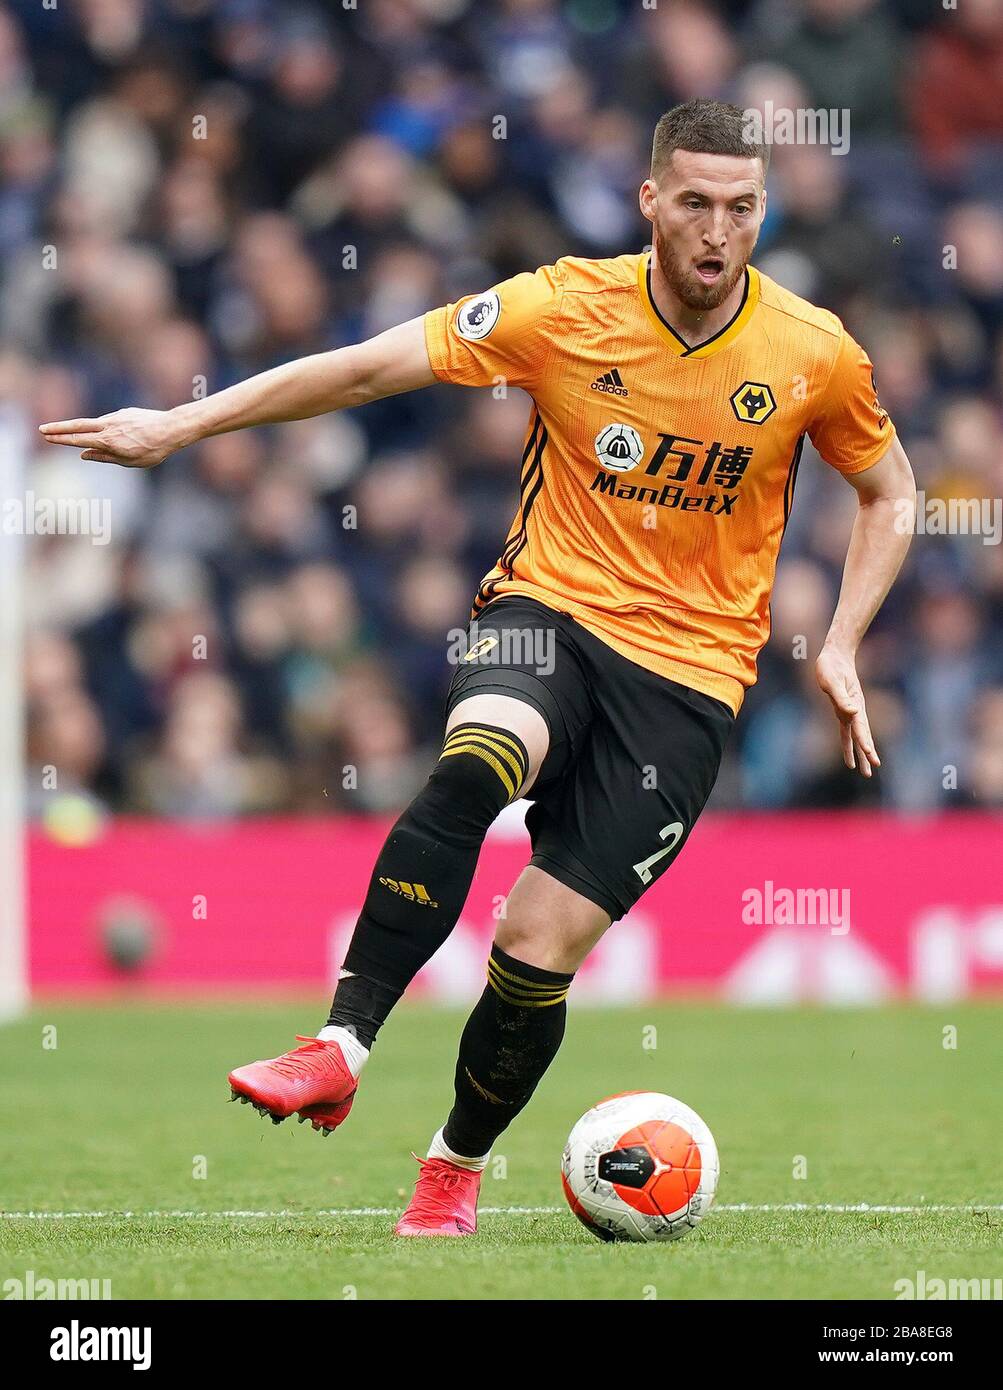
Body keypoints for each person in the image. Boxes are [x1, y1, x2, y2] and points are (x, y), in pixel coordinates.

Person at [40, 99, 916, 1238]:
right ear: (649, 200)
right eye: (693, 202)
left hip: (692, 679)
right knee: (481, 754)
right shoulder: (560, 304)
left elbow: (890, 490)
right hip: (544, 610)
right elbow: (365, 370)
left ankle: (452, 1167)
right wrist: (179, 426)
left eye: (741, 208)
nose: (716, 230)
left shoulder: (811, 351)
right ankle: (341, 1042)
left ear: (763, 212)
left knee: (532, 947)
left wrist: (842, 638)